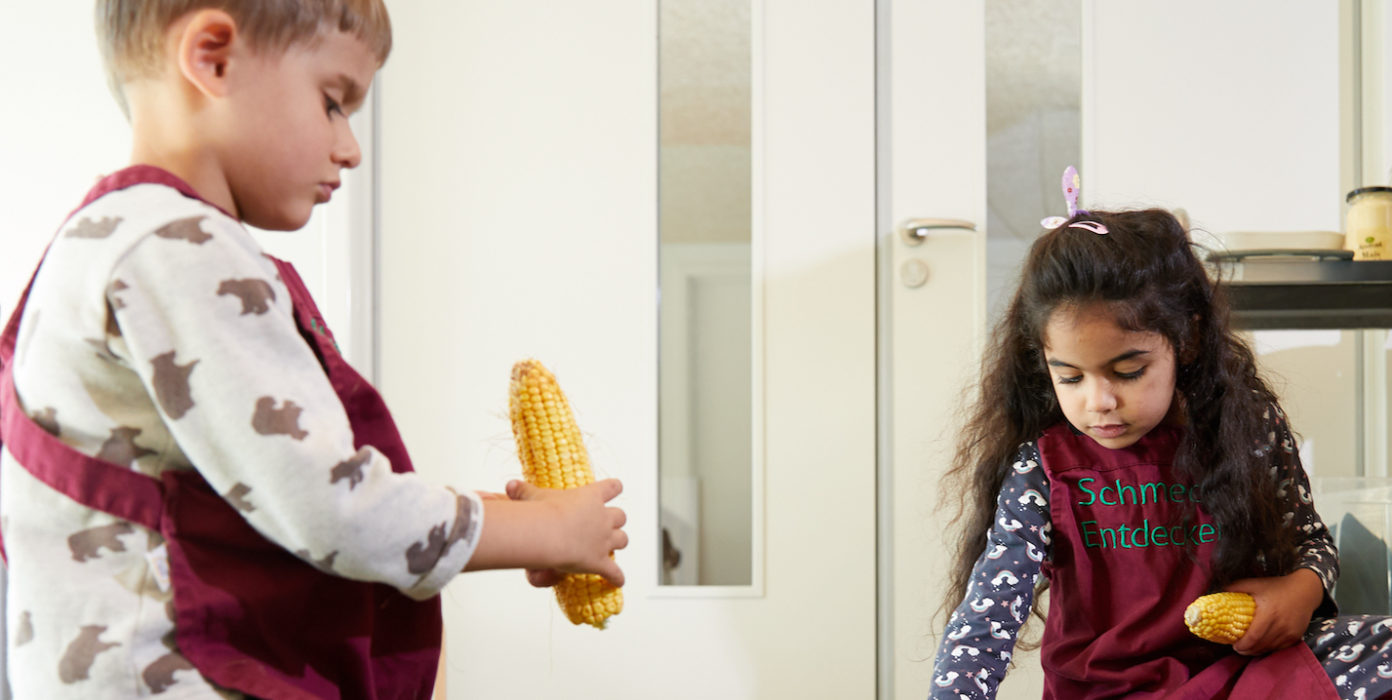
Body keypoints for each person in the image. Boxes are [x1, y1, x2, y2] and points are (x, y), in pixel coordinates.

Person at [0, 1, 627, 697]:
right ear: (213, 58)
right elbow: (332, 506)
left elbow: (275, 483)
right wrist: (543, 535)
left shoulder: (121, 238)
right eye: (334, 103)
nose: (351, 147)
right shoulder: (177, 249)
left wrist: (520, 521)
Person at [930, 170, 1392, 700]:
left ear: (1187, 340)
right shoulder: (1042, 468)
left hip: (1240, 679)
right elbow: (984, 623)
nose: (1098, 402)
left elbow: (1311, 541)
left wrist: (1301, 591)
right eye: (1070, 377)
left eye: (1128, 372)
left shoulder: (1247, 427)